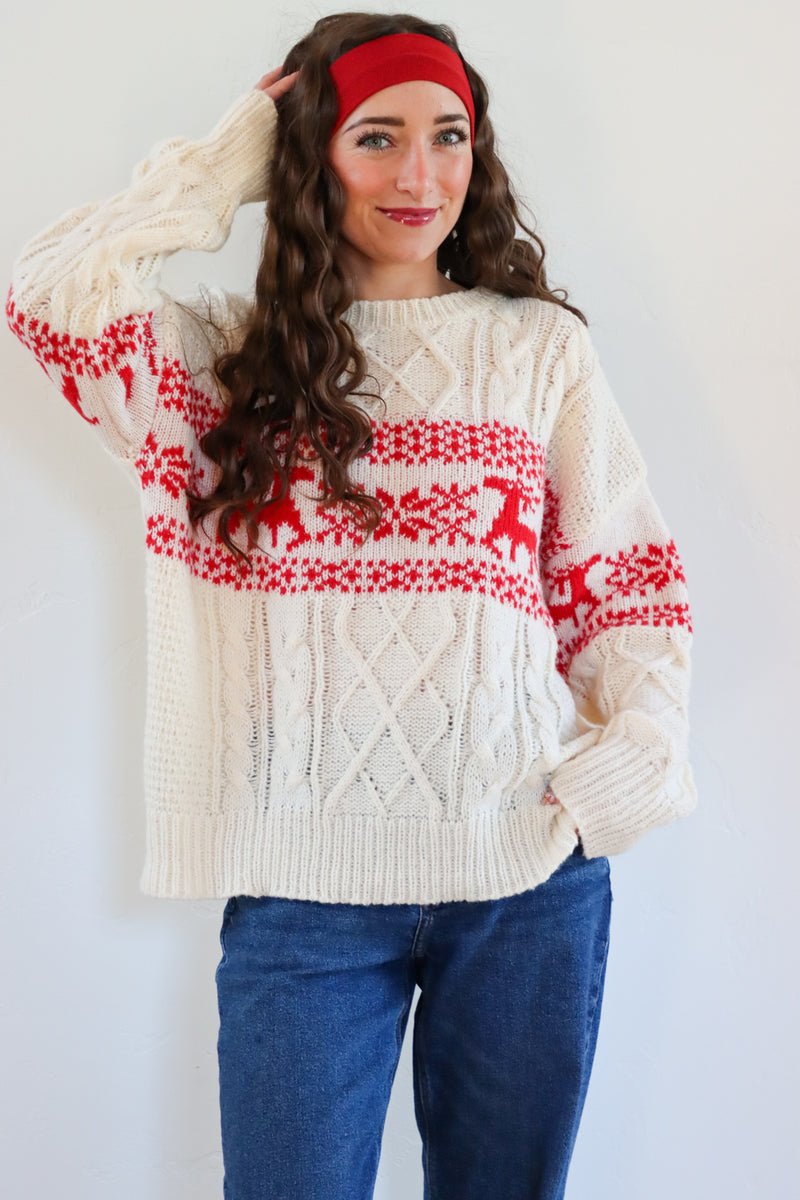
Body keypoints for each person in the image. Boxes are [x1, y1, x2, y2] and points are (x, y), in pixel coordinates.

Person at [7, 11, 697, 1200]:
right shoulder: (222, 371)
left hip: (522, 875)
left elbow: (619, 580)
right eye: (372, 137)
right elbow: (47, 295)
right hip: (302, 898)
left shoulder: (536, 351)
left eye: (445, 137)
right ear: (311, 153)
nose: (417, 174)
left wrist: (629, 762)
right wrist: (225, 160)